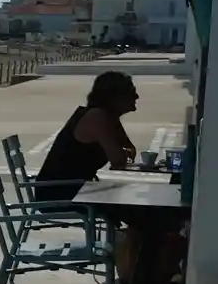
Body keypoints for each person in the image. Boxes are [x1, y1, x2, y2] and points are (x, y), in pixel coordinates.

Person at [32, 71, 139, 205]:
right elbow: (118, 161)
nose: (136, 97)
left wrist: (123, 151)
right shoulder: (97, 117)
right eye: (131, 92)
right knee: (138, 205)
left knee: (137, 203)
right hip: (58, 193)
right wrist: (122, 152)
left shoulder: (108, 116)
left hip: (77, 189)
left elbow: (128, 149)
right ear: (114, 97)